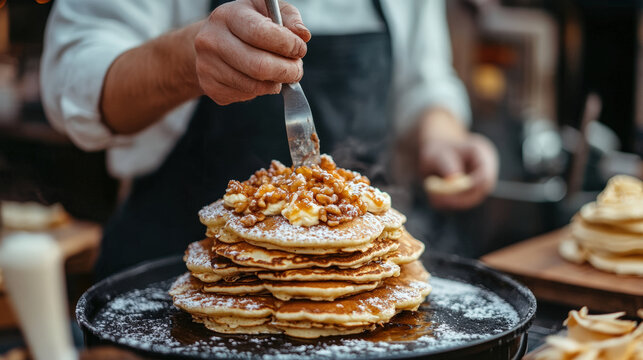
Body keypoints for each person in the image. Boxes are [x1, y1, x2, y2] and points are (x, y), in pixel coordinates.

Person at [41, 0, 498, 278]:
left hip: (355, 305)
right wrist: (186, 60)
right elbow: (71, 80)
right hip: (170, 282)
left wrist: (443, 136)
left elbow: (423, 80)